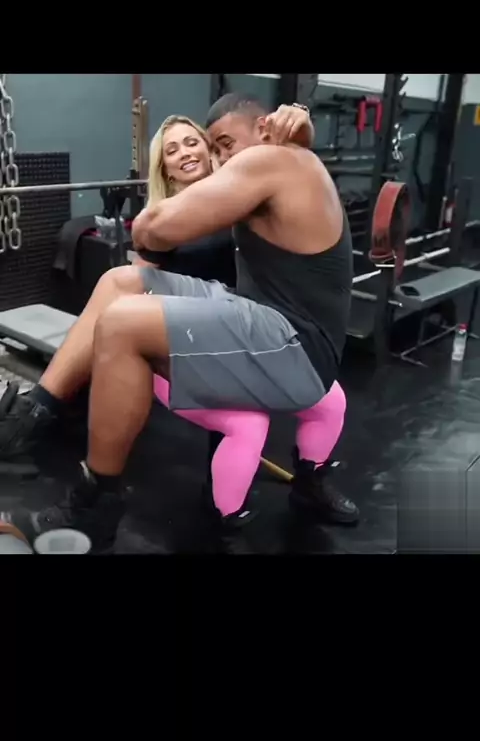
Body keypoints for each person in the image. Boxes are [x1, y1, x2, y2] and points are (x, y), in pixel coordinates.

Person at [0, 99, 357, 552]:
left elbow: (153, 228)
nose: (220, 156)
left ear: (265, 128)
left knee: (124, 323)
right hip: (250, 320)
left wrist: (154, 219)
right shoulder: (260, 172)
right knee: (120, 282)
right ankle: (30, 417)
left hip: (295, 346)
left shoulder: (272, 161)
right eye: (213, 149)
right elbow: (150, 243)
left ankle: (93, 506)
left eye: (222, 144)